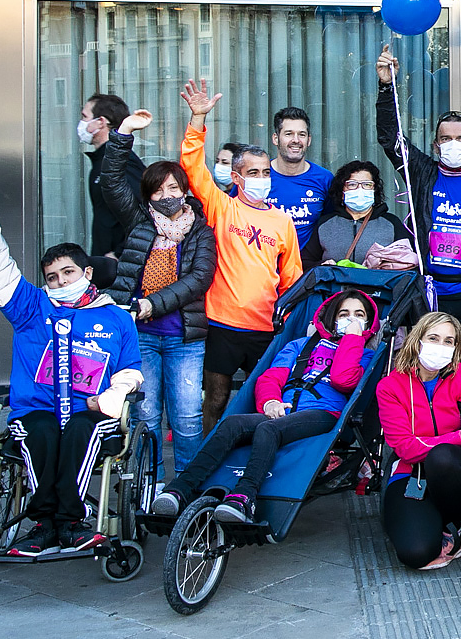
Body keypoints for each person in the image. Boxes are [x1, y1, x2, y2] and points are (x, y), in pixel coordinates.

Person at [0, 199, 143, 557]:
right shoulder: (31, 308)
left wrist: (111, 396)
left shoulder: (117, 317)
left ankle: (71, 522)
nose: (61, 282)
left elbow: (131, 369)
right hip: (37, 408)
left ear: (87, 273)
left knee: (79, 433)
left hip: (87, 411)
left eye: (68, 273)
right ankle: (44, 524)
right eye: (52, 277)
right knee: (41, 434)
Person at [149, 290, 375, 522]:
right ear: (332, 318)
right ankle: (179, 489)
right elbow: (270, 378)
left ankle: (244, 496)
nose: (351, 319)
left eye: (358, 314)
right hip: (284, 408)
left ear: (367, 322)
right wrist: (270, 401)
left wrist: (353, 338)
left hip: (323, 413)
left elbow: (342, 378)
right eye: (344, 313)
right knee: (232, 423)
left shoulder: (365, 355)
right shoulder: (300, 345)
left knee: (268, 429)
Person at [376, 47, 461, 396]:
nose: (454, 144)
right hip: (432, 291)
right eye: (446, 139)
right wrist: (386, 87)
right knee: (428, 365)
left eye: (460, 138)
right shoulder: (421, 174)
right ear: (436, 146)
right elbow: (391, 139)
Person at [178, 79, 304, 432]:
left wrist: (289, 322)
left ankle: (253, 464)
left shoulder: (282, 220)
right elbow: (192, 169)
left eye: (265, 172)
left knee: (262, 403)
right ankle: (204, 463)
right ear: (236, 176)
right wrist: (197, 121)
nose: (261, 178)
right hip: (221, 325)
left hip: (265, 328)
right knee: (215, 400)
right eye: (253, 173)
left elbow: (291, 278)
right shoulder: (222, 207)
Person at [99, 111, 218, 474]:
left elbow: (199, 279)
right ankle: (147, 488)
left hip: (185, 338)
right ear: (148, 195)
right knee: (144, 416)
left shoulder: (200, 231)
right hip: (138, 336)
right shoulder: (139, 221)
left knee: (186, 417)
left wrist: (152, 303)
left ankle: (185, 487)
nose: (166, 196)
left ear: (184, 191)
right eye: (158, 189)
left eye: (173, 188)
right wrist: (123, 134)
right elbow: (110, 183)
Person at [378, 312, 461, 569]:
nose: (440, 346)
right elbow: (405, 448)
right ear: (417, 340)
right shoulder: (390, 386)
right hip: (413, 474)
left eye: (448, 341)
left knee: (441, 456)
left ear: (456, 347)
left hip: (455, 469)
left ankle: (453, 526)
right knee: (416, 553)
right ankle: (427, 520)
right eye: (433, 338)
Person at [301, 161, 413, 268]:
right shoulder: (325, 224)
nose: (360, 189)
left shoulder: (391, 223)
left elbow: (410, 262)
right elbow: (305, 261)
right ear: (342, 190)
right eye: (352, 184)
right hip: (336, 287)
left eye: (367, 184)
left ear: (374, 189)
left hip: (378, 287)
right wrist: (323, 265)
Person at [78, 92, 141, 259]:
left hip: (118, 264)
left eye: (85, 117)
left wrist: (120, 252)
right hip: (104, 260)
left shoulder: (121, 161)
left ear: (100, 122)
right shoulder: (101, 160)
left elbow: (144, 209)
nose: (81, 123)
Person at [265, 107, 332, 249]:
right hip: (264, 267)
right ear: (275, 138)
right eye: (288, 134)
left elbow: (332, 224)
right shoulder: (258, 175)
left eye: (301, 134)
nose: (296, 140)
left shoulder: (324, 179)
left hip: (307, 267)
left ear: (309, 140)